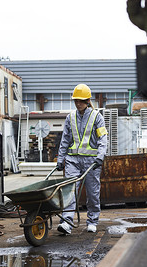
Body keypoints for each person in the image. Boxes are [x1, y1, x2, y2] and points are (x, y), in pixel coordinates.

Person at [55, 83, 108, 234]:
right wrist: (60, 160)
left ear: (87, 100)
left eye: (80, 100)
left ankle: (92, 221)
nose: (77, 103)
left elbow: (103, 138)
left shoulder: (97, 117)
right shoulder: (70, 118)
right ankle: (67, 222)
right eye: (75, 100)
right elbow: (65, 140)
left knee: (93, 192)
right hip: (73, 160)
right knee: (70, 189)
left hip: (92, 162)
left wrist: (100, 157)